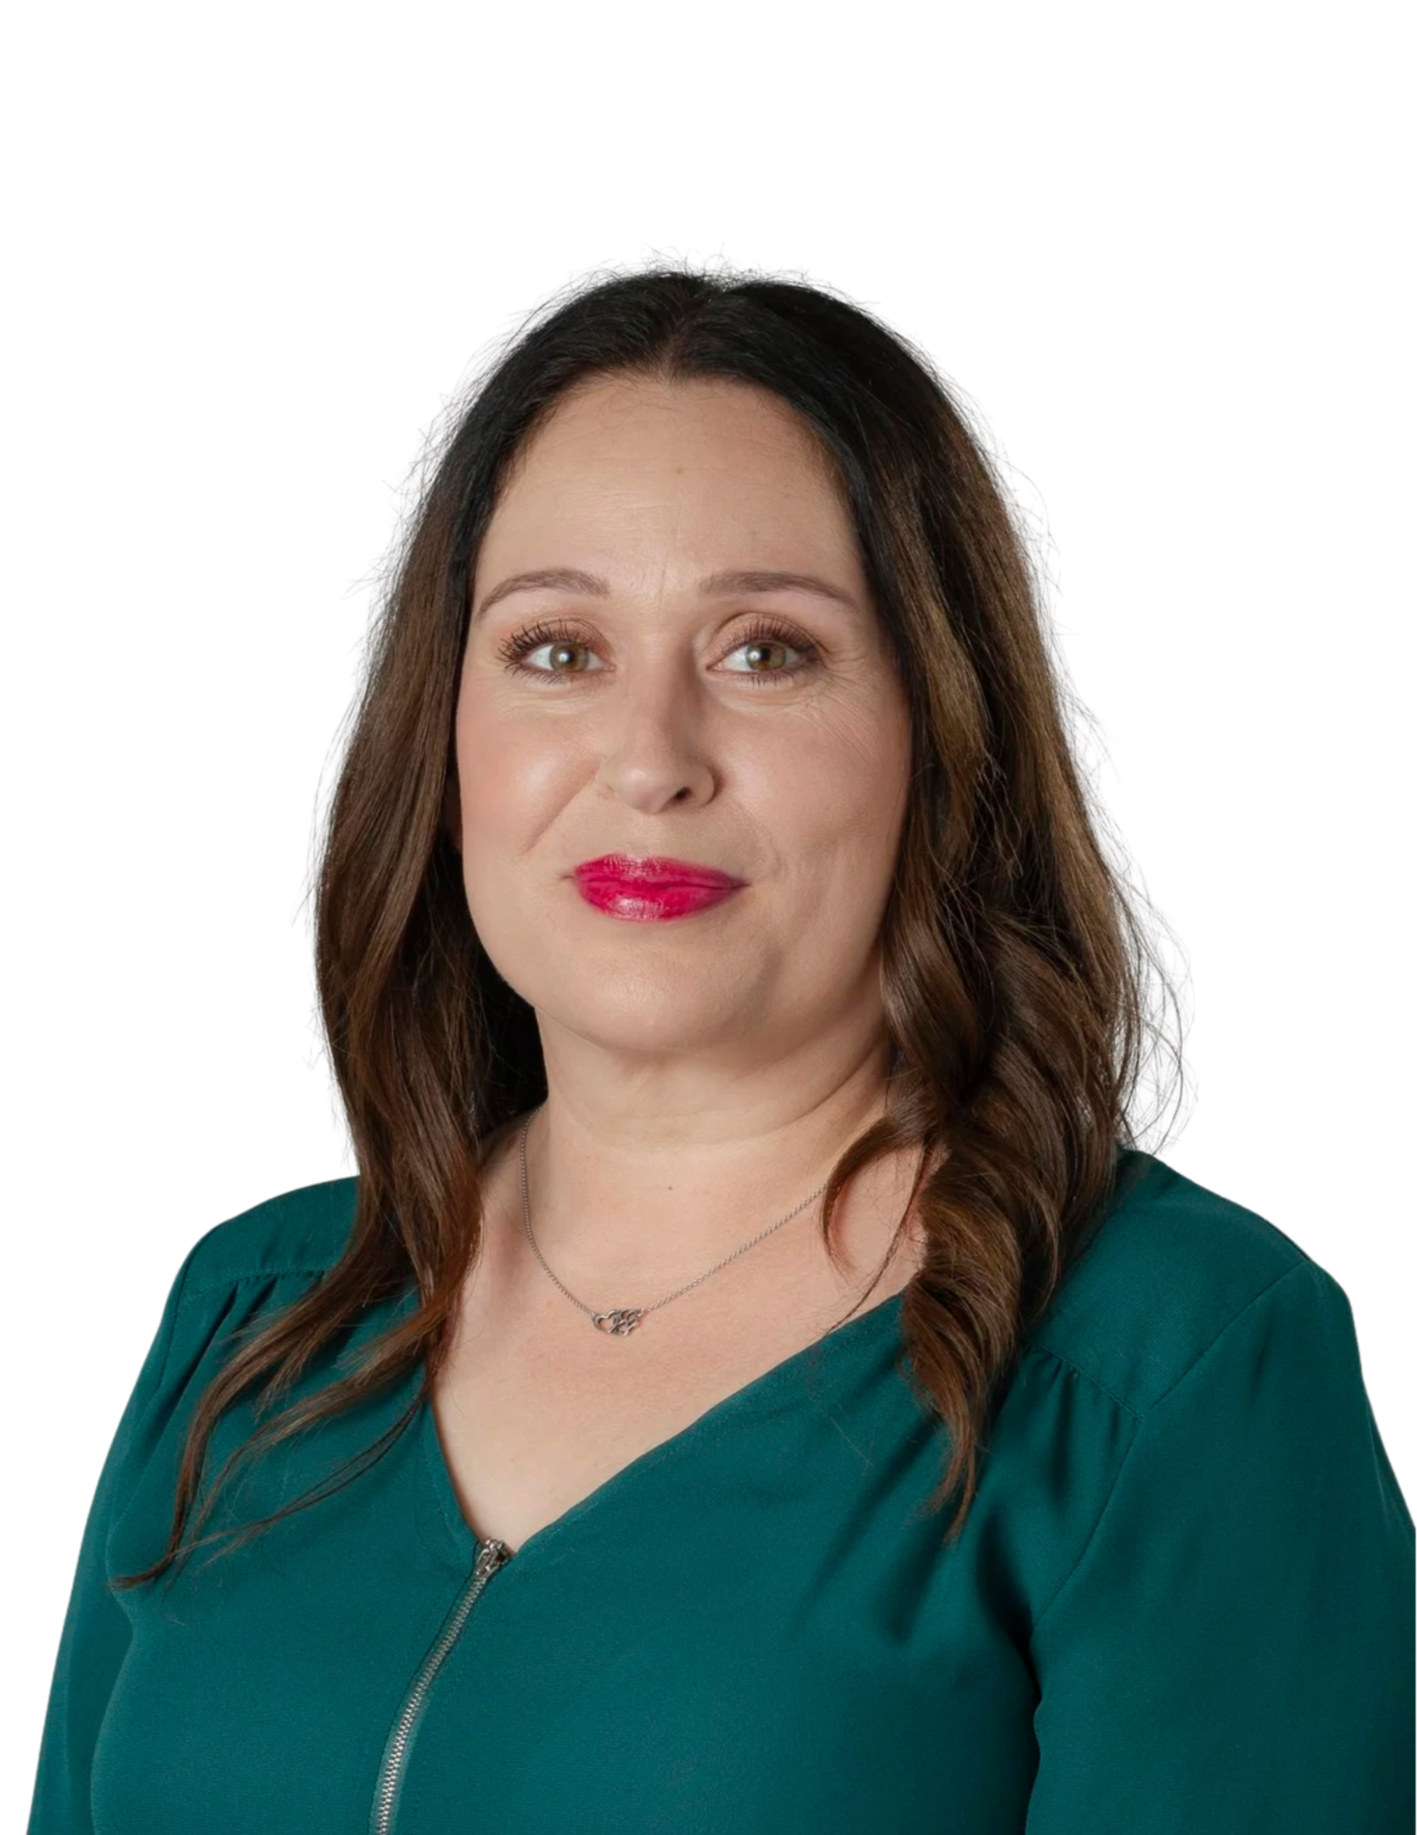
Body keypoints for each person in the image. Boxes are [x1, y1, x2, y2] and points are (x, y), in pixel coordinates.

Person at [26, 265, 1414, 1835]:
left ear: (941, 737)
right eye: (558, 648)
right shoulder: (254, 1329)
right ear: (446, 731)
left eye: (766, 650)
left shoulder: (1168, 1372)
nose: (650, 759)